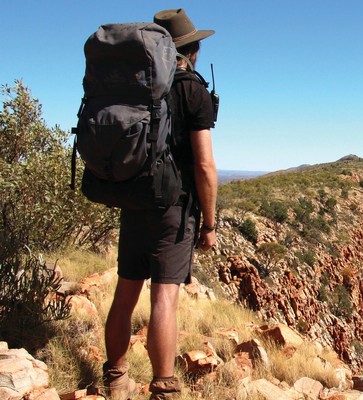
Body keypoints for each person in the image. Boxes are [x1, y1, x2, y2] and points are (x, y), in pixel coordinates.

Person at [101, 8, 218, 400]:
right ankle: (164, 389)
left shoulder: (141, 84)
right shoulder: (191, 89)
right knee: (164, 296)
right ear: (193, 50)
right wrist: (210, 224)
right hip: (174, 206)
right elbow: (203, 164)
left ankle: (115, 377)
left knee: (126, 290)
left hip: (135, 199)